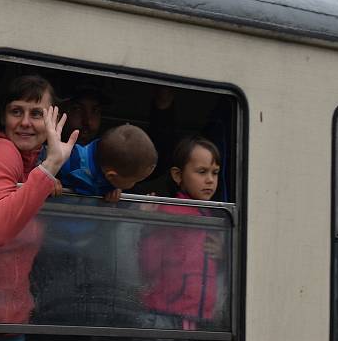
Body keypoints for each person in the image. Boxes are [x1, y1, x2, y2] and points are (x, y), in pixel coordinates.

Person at [0, 74, 78, 329]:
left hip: (12, 316)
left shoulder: (31, 160)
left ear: (52, 120)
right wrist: (50, 167)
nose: (25, 122)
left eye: (36, 114)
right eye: (16, 111)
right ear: (3, 117)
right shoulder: (4, 151)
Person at [138, 136, 223, 331]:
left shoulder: (213, 216)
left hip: (197, 316)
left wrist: (223, 255)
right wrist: (150, 224)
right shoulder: (169, 211)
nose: (210, 180)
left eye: (215, 173)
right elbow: (149, 266)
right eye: (202, 172)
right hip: (167, 314)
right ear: (178, 175)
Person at [57, 124, 157, 202]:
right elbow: (46, 162)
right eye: (134, 181)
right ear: (111, 176)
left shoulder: (111, 172)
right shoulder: (72, 160)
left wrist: (113, 188)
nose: (135, 185)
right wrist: (51, 179)